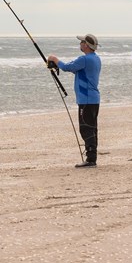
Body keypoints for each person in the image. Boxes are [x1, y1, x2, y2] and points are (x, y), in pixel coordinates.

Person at [47, 34, 101, 168]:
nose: (80, 44)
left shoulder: (84, 59)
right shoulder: (95, 59)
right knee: (92, 128)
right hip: (93, 99)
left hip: (87, 99)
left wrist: (54, 59)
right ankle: (91, 157)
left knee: (86, 129)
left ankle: (91, 159)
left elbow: (66, 67)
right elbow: (79, 71)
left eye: (82, 42)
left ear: (86, 45)